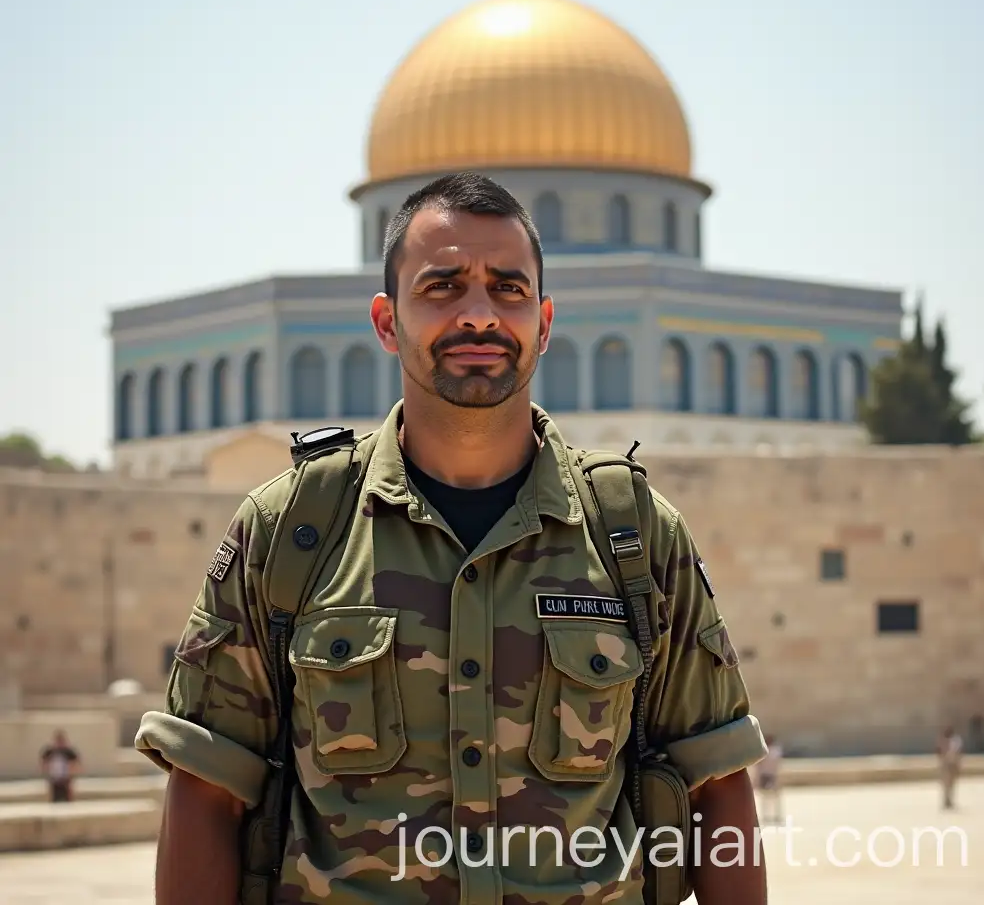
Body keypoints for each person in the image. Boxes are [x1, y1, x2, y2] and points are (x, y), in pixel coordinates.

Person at [136, 172, 768, 904]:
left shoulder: (632, 534)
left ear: (545, 320)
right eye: (442, 288)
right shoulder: (293, 533)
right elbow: (208, 787)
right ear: (385, 321)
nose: (479, 315)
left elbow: (717, 784)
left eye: (508, 288)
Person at [39, 729, 80, 803]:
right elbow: (43, 761)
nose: (59, 743)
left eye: (61, 741)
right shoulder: (50, 751)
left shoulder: (68, 752)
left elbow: (76, 762)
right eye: (58, 741)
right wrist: (46, 770)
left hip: (65, 779)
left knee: (67, 799)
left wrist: (72, 772)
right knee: (54, 799)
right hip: (54, 779)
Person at [753, 734, 783, 824]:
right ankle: (768, 815)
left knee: (773, 798)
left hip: (769, 776)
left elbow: (776, 765)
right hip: (766, 776)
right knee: (766, 798)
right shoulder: (767, 752)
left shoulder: (771, 751)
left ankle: (774, 815)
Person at [937, 725, 963, 809]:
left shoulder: (956, 740)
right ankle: (946, 800)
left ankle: (949, 800)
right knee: (946, 783)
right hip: (945, 763)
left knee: (952, 783)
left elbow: (959, 751)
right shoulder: (942, 740)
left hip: (952, 763)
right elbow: (938, 751)